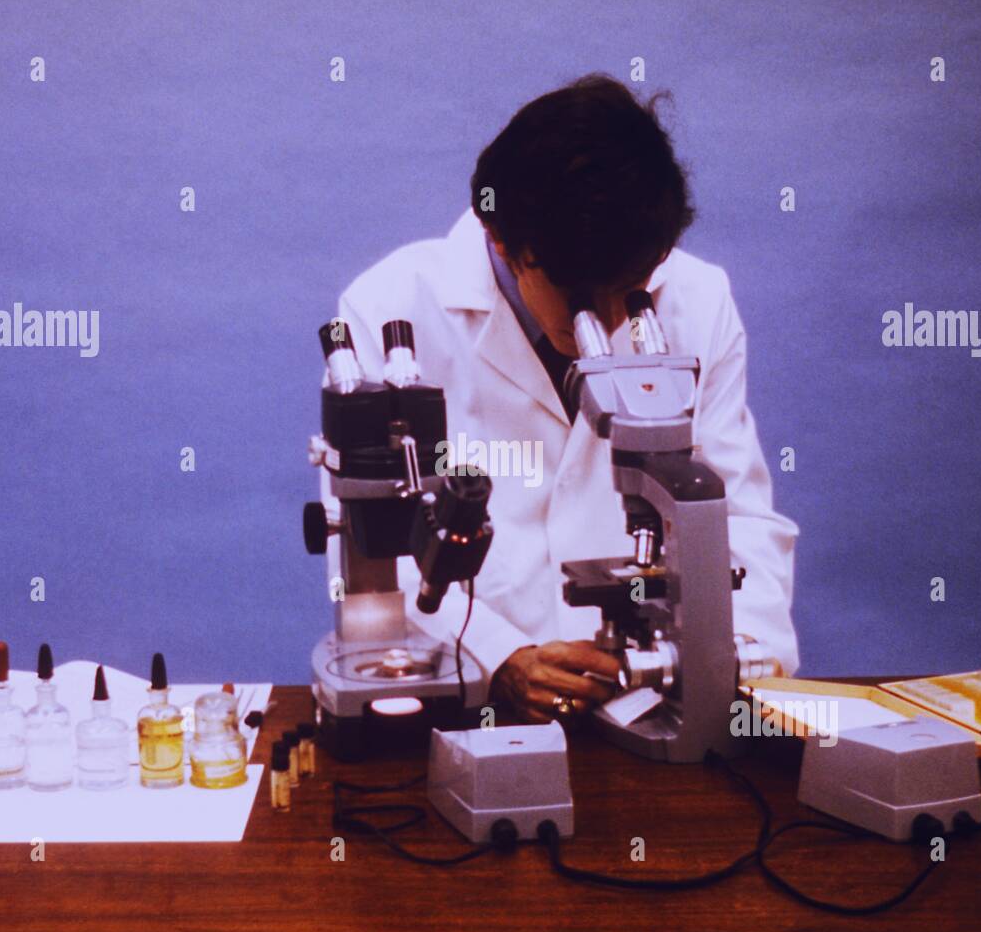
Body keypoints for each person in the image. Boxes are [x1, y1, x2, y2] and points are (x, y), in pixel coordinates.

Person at [331, 74, 798, 724]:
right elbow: (375, 553)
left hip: (652, 700)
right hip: (468, 707)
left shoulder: (698, 298)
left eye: (629, 288)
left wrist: (732, 661)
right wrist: (498, 658)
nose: (607, 325)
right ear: (503, 241)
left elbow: (738, 519)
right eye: (583, 298)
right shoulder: (387, 310)